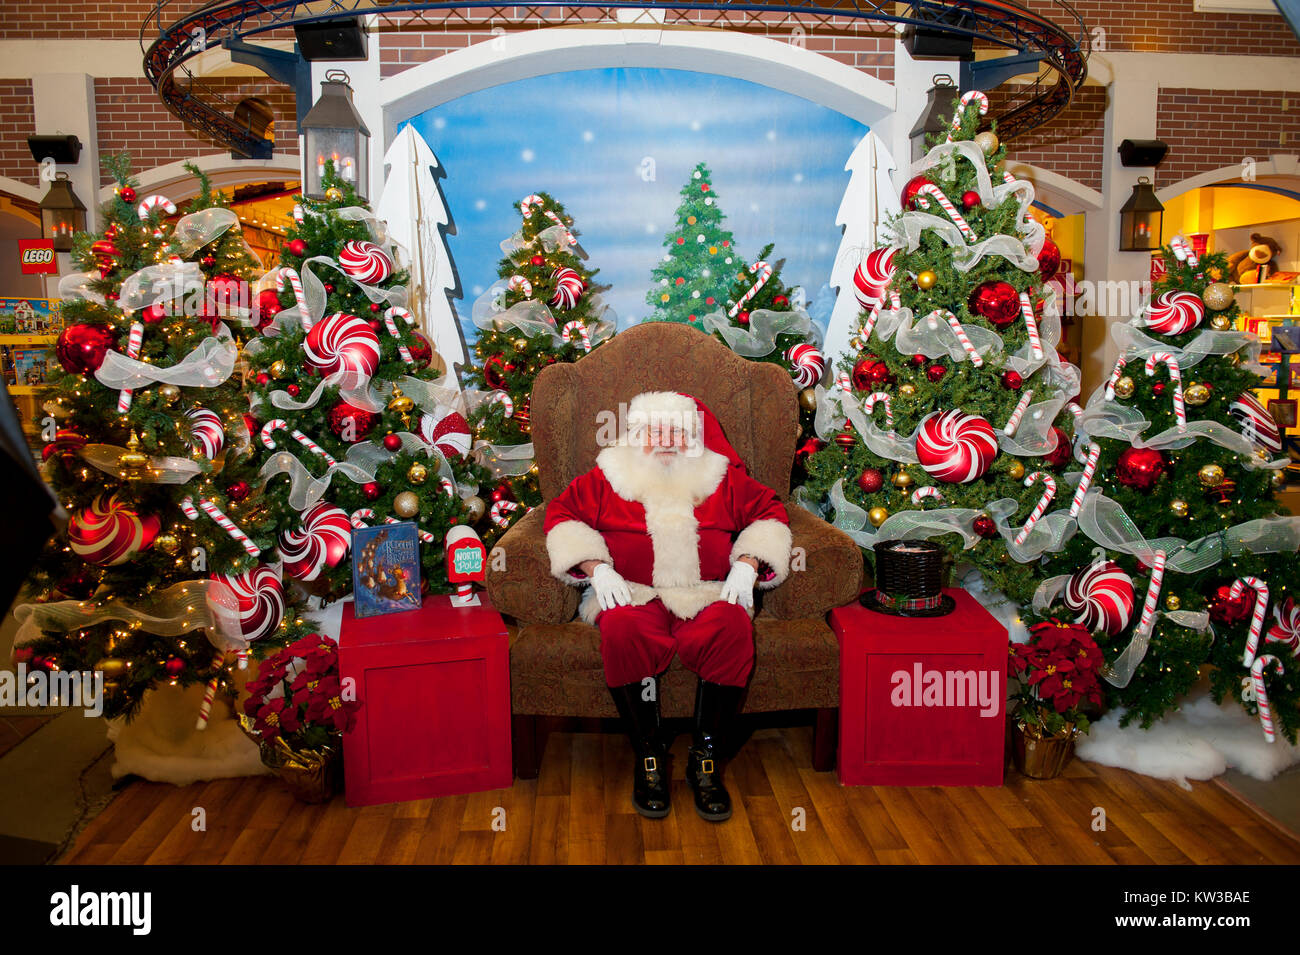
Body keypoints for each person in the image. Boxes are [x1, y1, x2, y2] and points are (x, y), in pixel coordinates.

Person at [543, 391, 792, 821]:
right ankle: (649, 756)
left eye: (676, 430)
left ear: (693, 437)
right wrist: (597, 568)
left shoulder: (718, 476)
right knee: (622, 630)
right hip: (632, 590)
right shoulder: (608, 475)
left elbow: (769, 512)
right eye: (655, 429)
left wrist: (748, 565)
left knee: (731, 628)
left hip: (706, 590)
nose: (666, 439)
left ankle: (707, 760)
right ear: (635, 434)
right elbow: (562, 517)